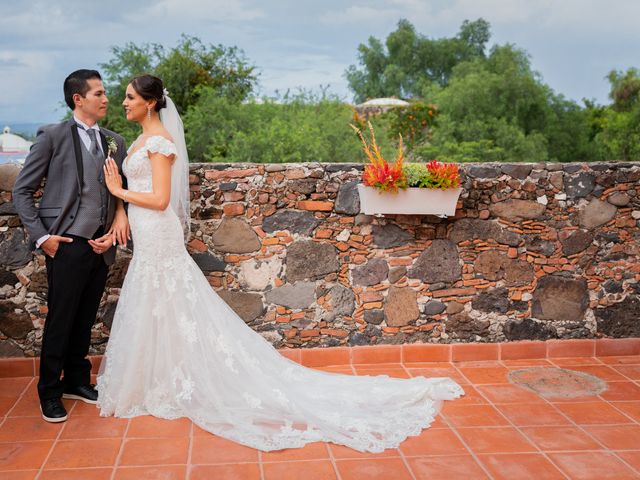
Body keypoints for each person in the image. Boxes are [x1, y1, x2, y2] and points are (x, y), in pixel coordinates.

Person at [98, 73, 463, 452]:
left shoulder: (160, 142)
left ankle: (182, 380)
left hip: (158, 230)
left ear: (151, 102)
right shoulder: (138, 140)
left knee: (172, 301)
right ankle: (161, 379)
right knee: (158, 304)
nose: (123, 103)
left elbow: (159, 199)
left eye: (129, 97)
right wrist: (120, 208)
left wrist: (116, 190)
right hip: (144, 231)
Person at [13, 69, 128, 423]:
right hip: (65, 242)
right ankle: (49, 390)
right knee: (61, 319)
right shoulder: (53, 135)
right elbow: (22, 191)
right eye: (98, 93)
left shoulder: (115, 141)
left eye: (104, 92)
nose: (105, 98)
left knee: (85, 317)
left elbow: (117, 191)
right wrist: (43, 238)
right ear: (78, 99)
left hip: (101, 243)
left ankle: (77, 381)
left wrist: (114, 226)